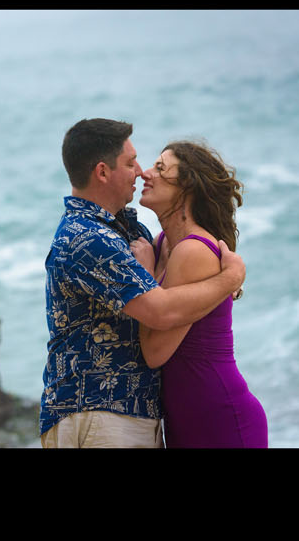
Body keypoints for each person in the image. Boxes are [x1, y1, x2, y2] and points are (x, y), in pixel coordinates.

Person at [43, 119, 245, 448]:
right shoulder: (87, 237)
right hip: (100, 413)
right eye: (130, 162)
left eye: (152, 165)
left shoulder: (134, 234)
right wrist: (231, 278)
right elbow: (159, 312)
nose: (140, 171)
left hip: (136, 415)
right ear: (103, 172)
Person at [134, 140, 268, 447]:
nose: (145, 173)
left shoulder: (193, 250)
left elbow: (155, 353)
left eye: (160, 168)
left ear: (187, 186)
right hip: (185, 417)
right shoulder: (161, 243)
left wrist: (143, 276)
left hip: (220, 415)